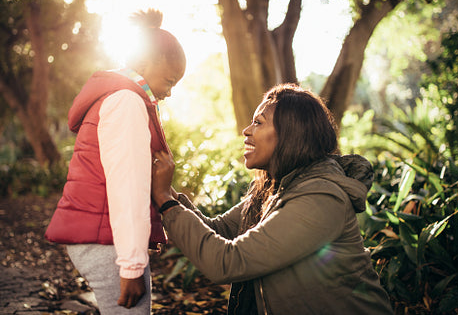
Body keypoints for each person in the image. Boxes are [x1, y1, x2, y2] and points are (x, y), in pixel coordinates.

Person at [151, 83, 394, 314]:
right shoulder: (275, 188)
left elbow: (227, 262)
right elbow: (220, 229)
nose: (246, 131)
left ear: (291, 134)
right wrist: (164, 189)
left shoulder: (320, 198)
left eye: (258, 122)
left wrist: (165, 201)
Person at [45, 9, 186, 314]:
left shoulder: (120, 97)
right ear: (145, 63)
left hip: (102, 236)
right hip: (105, 240)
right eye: (170, 80)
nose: (170, 92)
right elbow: (127, 189)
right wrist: (132, 267)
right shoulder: (127, 103)